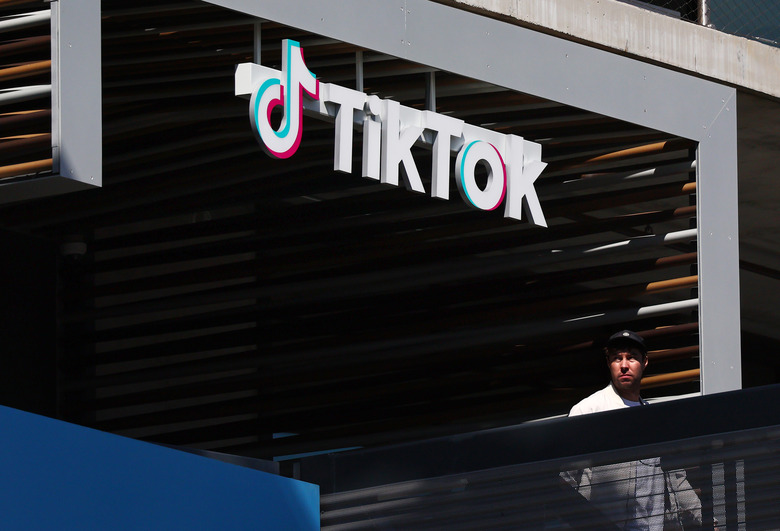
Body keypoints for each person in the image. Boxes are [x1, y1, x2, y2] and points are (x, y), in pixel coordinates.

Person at [561, 330, 703, 530]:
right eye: (617, 358)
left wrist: (707, 520)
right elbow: (565, 481)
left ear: (644, 362)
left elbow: (676, 480)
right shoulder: (589, 410)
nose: (624, 365)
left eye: (631, 358)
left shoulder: (655, 420)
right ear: (608, 363)